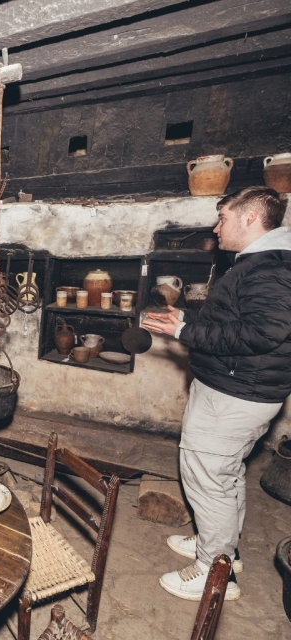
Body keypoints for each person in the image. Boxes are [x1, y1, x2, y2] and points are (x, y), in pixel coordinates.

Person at [143, 186, 291, 602]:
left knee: (208, 476)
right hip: (237, 386)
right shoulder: (259, 263)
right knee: (224, 475)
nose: (216, 226)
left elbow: (264, 333)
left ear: (249, 219)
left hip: (236, 392)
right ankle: (223, 548)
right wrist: (186, 317)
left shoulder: (270, 268)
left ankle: (214, 573)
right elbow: (238, 318)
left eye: (223, 218)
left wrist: (185, 332)